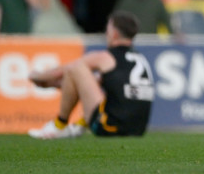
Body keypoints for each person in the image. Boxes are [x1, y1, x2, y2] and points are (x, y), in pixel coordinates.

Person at [27, 11, 154, 139]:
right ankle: (79, 125)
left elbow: (64, 71)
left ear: (114, 33)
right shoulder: (140, 59)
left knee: (76, 68)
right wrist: (53, 84)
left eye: (108, 29)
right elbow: (85, 86)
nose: (106, 33)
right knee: (109, 93)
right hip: (138, 130)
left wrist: (36, 76)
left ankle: (59, 125)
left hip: (109, 127)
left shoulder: (106, 57)